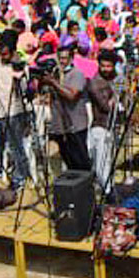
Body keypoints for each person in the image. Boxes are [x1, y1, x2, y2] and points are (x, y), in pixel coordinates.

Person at [0, 30, 30, 190]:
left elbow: (25, 89)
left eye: (6, 54)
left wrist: (18, 72)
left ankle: (20, 177)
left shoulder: (19, 63)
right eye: (1, 52)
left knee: (15, 145)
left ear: (13, 51)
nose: (3, 56)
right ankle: (1, 167)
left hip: (14, 110)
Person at [39, 46, 91, 171]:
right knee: (68, 160)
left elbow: (71, 96)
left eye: (65, 58)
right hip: (60, 125)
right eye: (60, 58)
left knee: (81, 161)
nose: (62, 61)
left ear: (71, 59)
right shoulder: (56, 74)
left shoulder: (76, 74)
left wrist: (53, 83)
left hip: (75, 124)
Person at [86, 49, 118, 185]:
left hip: (113, 127)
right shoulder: (95, 83)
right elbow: (106, 107)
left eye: (109, 66)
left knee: (106, 163)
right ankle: (108, 193)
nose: (106, 69)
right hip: (99, 127)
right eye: (103, 66)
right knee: (101, 166)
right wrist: (115, 97)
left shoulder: (115, 78)